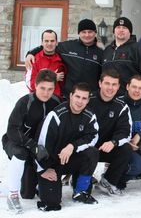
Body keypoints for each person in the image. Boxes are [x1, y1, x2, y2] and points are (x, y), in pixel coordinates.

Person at [2, 70, 60, 213]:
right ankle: (12, 195)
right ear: (35, 85)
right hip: (17, 143)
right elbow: (12, 130)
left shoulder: (57, 102)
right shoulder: (25, 102)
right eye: (42, 88)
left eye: (50, 89)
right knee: (21, 154)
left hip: (38, 150)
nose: (46, 93)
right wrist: (32, 146)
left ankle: (26, 180)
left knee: (28, 193)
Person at [36, 82, 99, 211]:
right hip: (51, 163)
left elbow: (93, 137)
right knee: (52, 204)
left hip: (70, 159)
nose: (80, 101)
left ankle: (80, 191)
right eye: (77, 96)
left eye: (84, 98)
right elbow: (40, 145)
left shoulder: (89, 116)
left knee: (92, 152)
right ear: (71, 96)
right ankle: (37, 184)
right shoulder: (56, 115)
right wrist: (43, 169)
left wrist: (72, 146)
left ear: (88, 100)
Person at [25, 19, 103, 98]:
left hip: (89, 97)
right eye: (83, 32)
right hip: (67, 96)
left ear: (95, 33)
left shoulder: (101, 53)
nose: (87, 35)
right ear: (79, 33)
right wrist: (31, 53)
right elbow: (49, 46)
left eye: (90, 32)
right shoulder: (67, 47)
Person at [87, 69, 132, 195]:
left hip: (106, 148)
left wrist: (113, 142)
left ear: (118, 86)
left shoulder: (121, 106)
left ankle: (108, 182)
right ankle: (78, 177)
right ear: (100, 83)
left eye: (114, 84)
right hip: (86, 148)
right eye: (107, 83)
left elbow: (125, 132)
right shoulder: (87, 101)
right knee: (84, 190)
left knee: (126, 148)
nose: (110, 88)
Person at [103, 17, 141, 98]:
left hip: (130, 101)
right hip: (109, 100)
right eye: (118, 27)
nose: (121, 30)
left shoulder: (138, 49)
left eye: (124, 28)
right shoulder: (107, 51)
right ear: (114, 31)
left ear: (130, 32)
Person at [25, 30, 66, 98]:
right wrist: (51, 77)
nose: (49, 43)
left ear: (56, 42)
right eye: (46, 41)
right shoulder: (33, 60)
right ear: (42, 42)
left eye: (52, 41)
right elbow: (30, 84)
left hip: (56, 100)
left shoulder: (62, 59)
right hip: (38, 100)